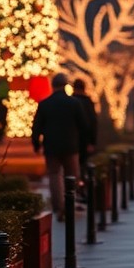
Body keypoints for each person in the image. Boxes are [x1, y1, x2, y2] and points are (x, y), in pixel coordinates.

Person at [31, 72, 87, 221]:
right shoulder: (75, 103)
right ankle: (70, 205)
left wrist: (36, 144)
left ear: (53, 86)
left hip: (51, 146)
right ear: (66, 86)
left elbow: (36, 127)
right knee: (72, 176)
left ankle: (59, 207)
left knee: (54, 175)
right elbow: (83, 125)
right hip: (71, 146)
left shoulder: (44, 104)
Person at [72, 77, 98, 199]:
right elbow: (93, 123)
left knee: (71, 167)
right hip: (84, 140)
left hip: (72, 140)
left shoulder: (70, 101)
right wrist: (92, 141)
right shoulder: (88, 102)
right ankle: (82, 189)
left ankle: (74, 191)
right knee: (82, 165)